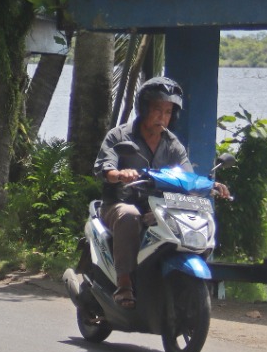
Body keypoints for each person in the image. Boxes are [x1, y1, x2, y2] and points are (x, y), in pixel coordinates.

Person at [93, 76, 230, 309]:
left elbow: (186, 175)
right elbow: (105, 167)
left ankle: (168, 282)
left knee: (191, 220)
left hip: (158, 207)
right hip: (119, 203)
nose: (162, 117)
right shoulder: (119, 136)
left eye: (168, 111)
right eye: (157, 109)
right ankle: (124, 282)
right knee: (129, 216)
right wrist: (119, 174)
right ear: (144, 108)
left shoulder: (171, 143)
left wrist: (211, 185)